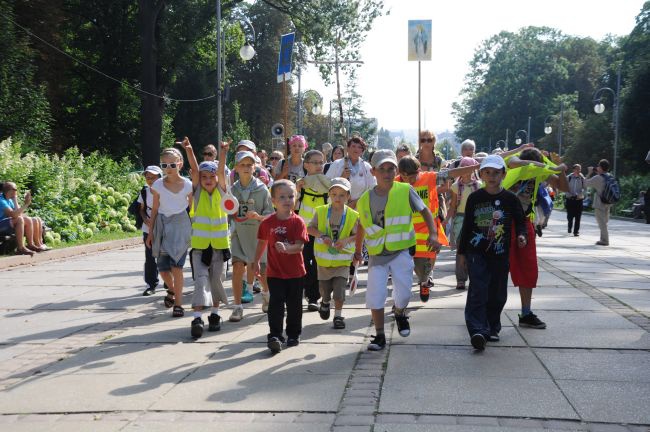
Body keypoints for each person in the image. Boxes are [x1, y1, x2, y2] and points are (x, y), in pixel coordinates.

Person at [355, 149, 441, 351]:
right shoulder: (365, 199)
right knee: (375, 295)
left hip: (401, 251)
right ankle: (379, 335)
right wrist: (358, 250)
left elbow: (425, 210)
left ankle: (400, 312)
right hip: (377, 254)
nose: (387, 173)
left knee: (403, 293)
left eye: (391, 169)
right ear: (373, 171)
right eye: (382, 169)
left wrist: (433, 234)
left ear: (396, 171)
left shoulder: (405, 190)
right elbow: (361, 225)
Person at [457, 155, 528, 351]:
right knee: (478, 289)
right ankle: (478, 330)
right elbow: (467, 226)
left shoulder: (510, 199)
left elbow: (520, 222)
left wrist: (522, 236)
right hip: (476, 252)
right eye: (487, 172)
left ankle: (492, 326)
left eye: (496, 173)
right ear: (481, 175)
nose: (491, 176)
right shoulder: (475, 198)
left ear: (504, 175)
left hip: (500, 253)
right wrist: (462, 253)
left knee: (497, 294)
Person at [396, 156, 478, 301]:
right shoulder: (395, 182)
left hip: (428, 229)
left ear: (419, 171)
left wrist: (476, 166)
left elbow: (452, 173)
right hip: (406, 230)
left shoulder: (430, 178)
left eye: (413, 176)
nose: (409, 180)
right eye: (404, 176)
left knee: (428, 261)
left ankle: (425, 280)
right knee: (414, 265)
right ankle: (422, 279)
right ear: (400, 173)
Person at [503, 148, 568, 329]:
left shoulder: (539, 175)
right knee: (495, 269)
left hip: (524, 223)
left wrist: (560, 169)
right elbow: (514, 161)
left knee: (528, 268)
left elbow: (564, 187)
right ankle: (486, 313)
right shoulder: (513, 166)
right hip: (502, 222)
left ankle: (526, 313)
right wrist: (544, 166)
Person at [179, 138, 231, 338]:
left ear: (218, 178)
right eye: (204, 177)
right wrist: (190, 149)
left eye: (212, 176)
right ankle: (197, 317)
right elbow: (193, 169)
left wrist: (223, 152)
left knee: (216, 281)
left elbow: (220, 171)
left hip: (219, 247)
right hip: (200, 248)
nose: (208, 179)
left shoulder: (223, 193)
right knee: (201, 281)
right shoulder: (198, 193)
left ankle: (215, 315)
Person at [252, 180, 309, 354]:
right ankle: (275, 335)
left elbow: (300, 247)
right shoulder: (267, 223)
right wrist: (255, 262)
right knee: (275, 305)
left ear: (296, 199)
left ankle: (293, 334)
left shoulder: (298, 222)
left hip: (295, 273)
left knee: (294, 306)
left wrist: (286, 249)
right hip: (274, 273)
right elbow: (262, 242)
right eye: (282, 197)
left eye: (291, 196)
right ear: (273, 201)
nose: (287, 200)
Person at [146, 147, 193, 318]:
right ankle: (172, 290)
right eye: (164, 165)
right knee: (163, 270)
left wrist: (195, 229)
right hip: (162, 226)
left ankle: (179, 304)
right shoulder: (157, 185)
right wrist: (150, 233)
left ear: (180, 164)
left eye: (172, 164)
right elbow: (155, 209)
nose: (168, 168)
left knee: (177, 267)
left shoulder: (187, 185)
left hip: (181, 226)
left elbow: (192, 209)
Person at [229, 150, 274, 322]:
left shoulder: (263, 190)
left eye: (249, 164)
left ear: (255, 167)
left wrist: (259, 217)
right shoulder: (232, 190)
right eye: (243, 165)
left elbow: (270, 215)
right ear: (236, 168)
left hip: (258, 236)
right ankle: (237, 307)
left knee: (262, 270)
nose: (246, 168)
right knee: (238, 266)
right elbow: (227, 211)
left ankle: (266, 295)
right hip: (239, 234)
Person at [308, 178, 359, 329]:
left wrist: (346, 240)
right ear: (329, 194)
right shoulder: (321, 211)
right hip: (323, 262)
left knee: (339, 291)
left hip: (342, 262)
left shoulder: (353, 215)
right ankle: (324, 302)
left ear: (348, 196)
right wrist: (322, 236)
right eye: (334, 194)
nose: (338, 198)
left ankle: (338, 315)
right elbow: (310, 229)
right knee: (324, 290)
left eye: (342, 195)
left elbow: (358, 235)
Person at [296, 150, 331, 311]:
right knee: (305, 264)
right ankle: (309, 294)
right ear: (306, 165)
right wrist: (297, 190)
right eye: (315, 162)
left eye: (321, 162)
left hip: (322, 232)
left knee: (319, 265)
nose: (318, 166)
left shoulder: (328, 185)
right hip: (303, 232)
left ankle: (316, 296)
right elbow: (293, 207)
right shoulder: (300, 184)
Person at [444, 157, 482, 290]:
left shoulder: (479, 186)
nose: (466, 172)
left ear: (473, 170)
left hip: (476, 220)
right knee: (461, 251)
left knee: (475, 250)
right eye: (463, 169)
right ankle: (461, 279)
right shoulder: (456, 187)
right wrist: (446, 221)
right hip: (460, 220)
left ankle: (475, 277)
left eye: (469, 169)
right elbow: (453, 206)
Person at [325, 137, 376, 209]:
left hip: (359, 207)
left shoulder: (366, 167)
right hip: (337, 207)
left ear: (362, 151)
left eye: (359, 147)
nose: (356, 149)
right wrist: (341, 178)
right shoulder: (337, 164)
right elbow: (326, 184)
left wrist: (356, 202)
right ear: (348, 148)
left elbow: (373, 188)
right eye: (353, 146)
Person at [0, 182, 48, 255]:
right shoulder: (1, 200)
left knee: (35, 219)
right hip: (1, 224)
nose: (17, 191)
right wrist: (26, 204)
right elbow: (13, 215)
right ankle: (20, 248)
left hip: (8, 223)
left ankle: (34, 245)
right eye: (15, 189)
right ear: (9, 190)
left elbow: (19, 214)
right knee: (19, 219)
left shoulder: (9, 199)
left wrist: (15, 199)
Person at [139, 166, 163, 296]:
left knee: (167, 254)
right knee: (150, 257)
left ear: (160, 177)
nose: (150, 180)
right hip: (148, 228)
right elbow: (141, 209)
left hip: (165, 226)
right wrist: (145, 220)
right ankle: (151, 284)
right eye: (148, 177)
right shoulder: (144, 191)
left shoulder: (166, 190)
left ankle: (169, 281)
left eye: (153, 177)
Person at [585, 159, 613, 246]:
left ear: (600, 167)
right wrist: (598, 172)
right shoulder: (610, 176)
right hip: (608, 202)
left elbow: (585, 184)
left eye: (598, 166)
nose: (597, 167)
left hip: (600, 203)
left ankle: (605, 240)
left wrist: (589, 172)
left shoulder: (597, 178)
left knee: (601, 222)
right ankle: (602, 239)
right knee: (604, 222)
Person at [565, 164, 586, 236]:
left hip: (579, 200)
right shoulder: (569, 177)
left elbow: (585, 188)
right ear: (573, 170)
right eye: (577, 169)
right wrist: (569, 194)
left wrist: (581, 194)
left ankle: (576, 231)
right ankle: (569, 226)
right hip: (570, 199)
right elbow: (565, 187)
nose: (579, 170)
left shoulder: (582, 178)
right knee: (570, 216)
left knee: (578, 216)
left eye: (580, 169)